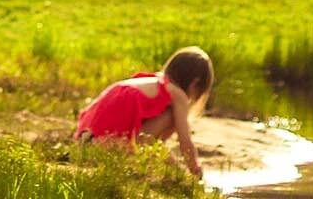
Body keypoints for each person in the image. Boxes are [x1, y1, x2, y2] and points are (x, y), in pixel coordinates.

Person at [75, 47, 214, 177]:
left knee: (157, 136)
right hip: (105, 146)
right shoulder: (177, 95)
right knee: (172, 118)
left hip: (84, 141)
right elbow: (185, 141)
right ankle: (166, 170)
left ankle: (155, 164)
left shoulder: (152, 82)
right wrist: (194, 170)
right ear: (195, 83)